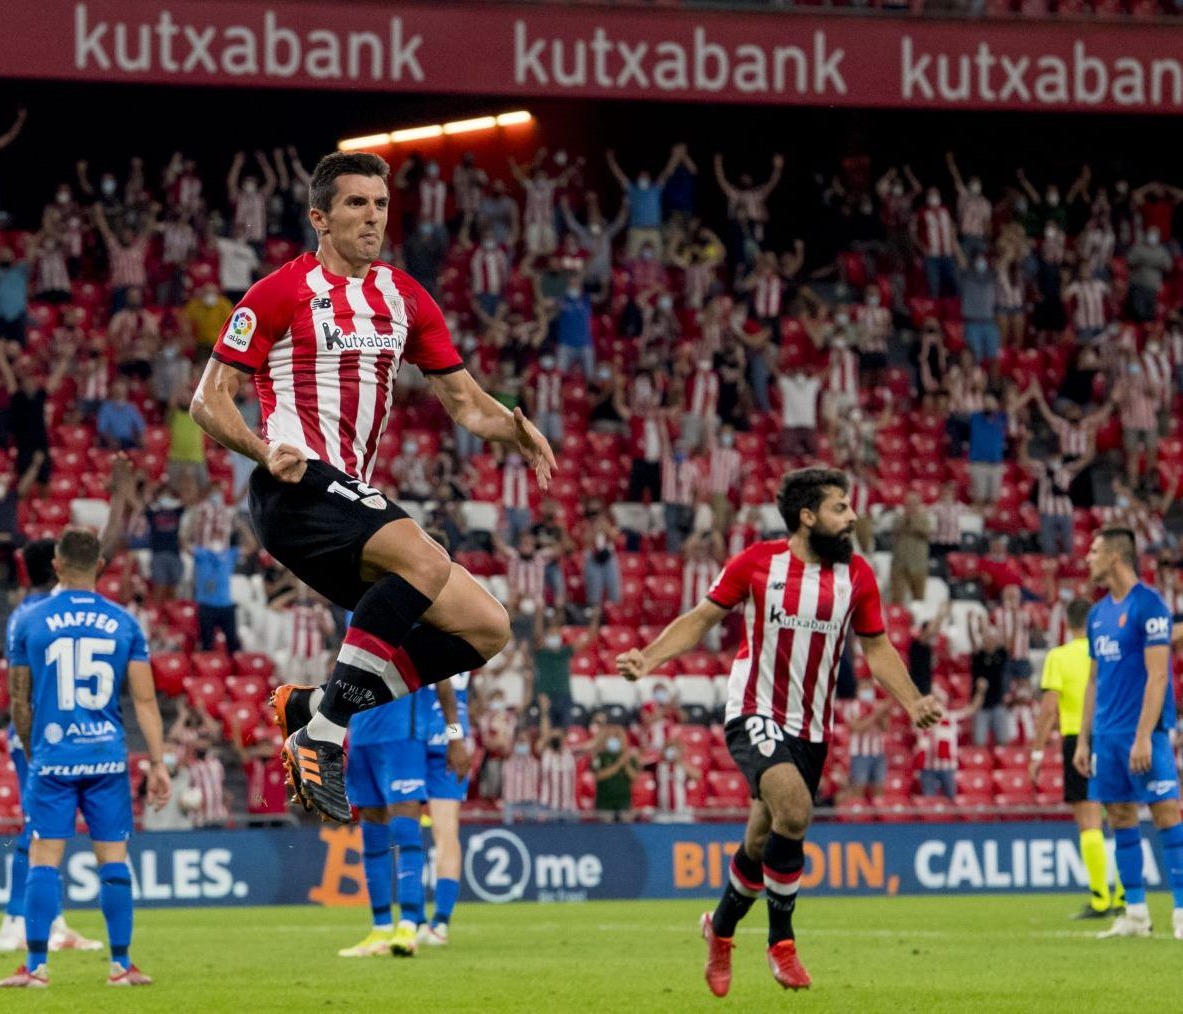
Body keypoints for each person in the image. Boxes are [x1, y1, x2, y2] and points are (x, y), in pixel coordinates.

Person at [191, 151, 555, 824]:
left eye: (381, 205)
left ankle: (311, 709)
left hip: (346, 500)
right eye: (357, 204)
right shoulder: (278, 292)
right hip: (294, 488)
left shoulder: (406, 298)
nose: (373, 217)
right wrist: (265, 449)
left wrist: (513, 430)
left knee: (486, 627)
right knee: (426, 556)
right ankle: (324, 737)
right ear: (319, 218)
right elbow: (208, 402)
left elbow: (466, 403)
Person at [617, 467, 941, 996]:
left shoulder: (857, 576)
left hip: (813, 726)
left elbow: (877, 648)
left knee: (762, 837)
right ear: (808, 517)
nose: (853, 517)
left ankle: (720, 929)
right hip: (754, 709)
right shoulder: (758, 564)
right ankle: (781, 943)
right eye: (841, 508)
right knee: (794, 809)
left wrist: (912, 701)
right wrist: (647, 659)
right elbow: (701, 618)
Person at [0, 528, 170, 989]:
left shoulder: (30, 621)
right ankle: (121, 966)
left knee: (43, 860)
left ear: (56, 565)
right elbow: (146, 702)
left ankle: (35, 968)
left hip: (52, 759)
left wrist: (35, 755)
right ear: (99, 566)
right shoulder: (125, 623)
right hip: (106, 759)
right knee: (113, 861)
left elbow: (19, 700)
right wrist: (158, 763)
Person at [0, 460, 136, 957]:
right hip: (44, 736)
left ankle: (44, 922)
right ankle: (17, 920)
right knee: (39, 830)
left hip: (42, 732)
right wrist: (121, 495)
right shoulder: (47, 610)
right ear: (56, 567)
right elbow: (108, 548)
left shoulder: (29, 614)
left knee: (42, 830)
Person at [1072, 528, 1183, 940]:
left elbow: (1158, 677)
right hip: (1107, 735)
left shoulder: (1150, 606)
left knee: (1166, 813)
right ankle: (1135, 912)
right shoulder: (1098, 615)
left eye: (1095, 551)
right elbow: (1093, 681)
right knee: (1119, 818)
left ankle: (1181, 913)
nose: (1087, 557)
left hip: (1145, 734)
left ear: (1116, 558)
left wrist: (1142, 737)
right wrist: (1084, 740)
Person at [1028, 598, 1122, 919]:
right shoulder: (1108, 652)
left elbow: (1048, 709)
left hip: (1077, 739)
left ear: (1067, 623)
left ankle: (1100, 899)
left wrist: (1038, 751)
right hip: (1112, 736)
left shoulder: (1059, 656)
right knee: (1120, 816)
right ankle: (1126, 897)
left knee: (1088, 820)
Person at [335, 691, 432, 959]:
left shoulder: (418, 646)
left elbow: (443, 679)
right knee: (372, 832)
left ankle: (409, 926)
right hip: (362, 736)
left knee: (405, 827)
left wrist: (453, 733)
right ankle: (380, 929)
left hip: (402, 734)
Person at [418, 677, 471, 945]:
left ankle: (416, 918)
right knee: (446, 831)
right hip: (449, 732)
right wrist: (457, 738)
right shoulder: (465, 637)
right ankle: (440, 923)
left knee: (405, 829)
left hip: (414, 731)